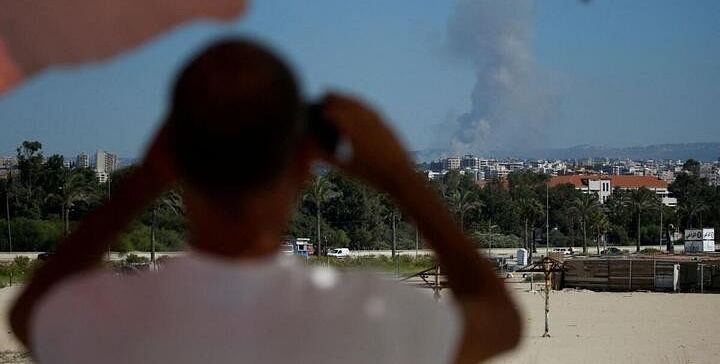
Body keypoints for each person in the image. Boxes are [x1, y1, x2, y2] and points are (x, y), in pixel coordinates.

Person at [10, 39, 521, 363]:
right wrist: (402, 180)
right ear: (304, 162)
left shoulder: (109, 322)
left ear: (173, 154)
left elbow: (28, 312)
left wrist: (144, 179)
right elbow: (501, 321)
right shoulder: (373, 317)